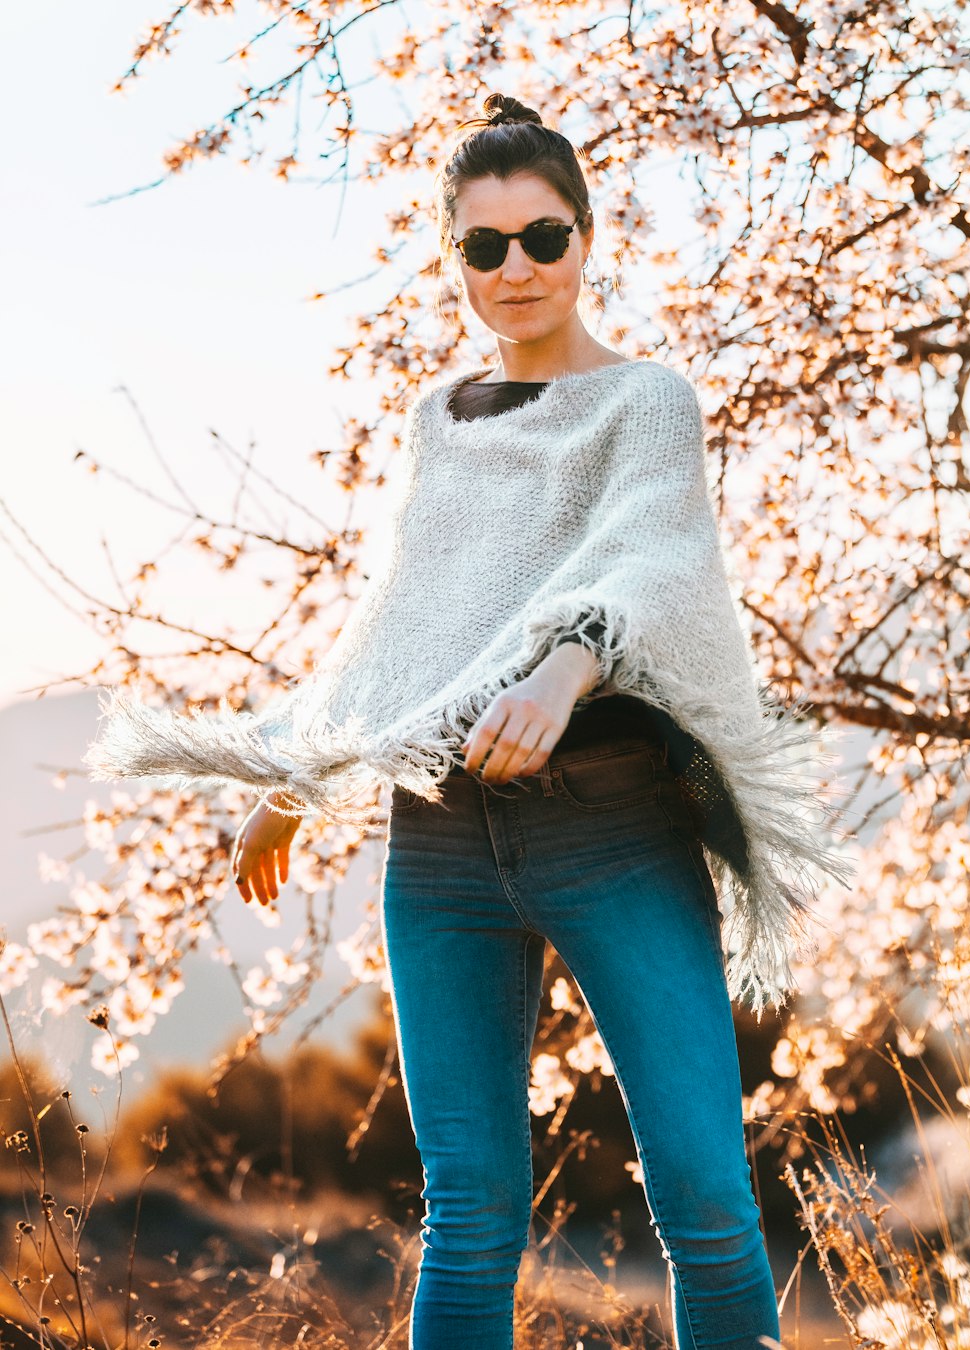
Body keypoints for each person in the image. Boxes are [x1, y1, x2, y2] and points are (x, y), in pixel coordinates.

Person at [86, 89, 853, 1349]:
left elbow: (652, 566)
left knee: (707, 1202)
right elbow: (404, 623)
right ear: (455, 260)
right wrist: (300, 776)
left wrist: (565, 669)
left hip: (612, 830)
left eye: (542, 238)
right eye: (484, 246)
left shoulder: (647, 402)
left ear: (587, 240)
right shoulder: (436, 422)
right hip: (440, 847)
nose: (517, 270)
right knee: (471, 1210)